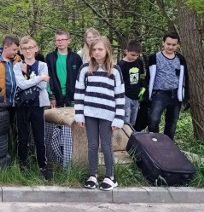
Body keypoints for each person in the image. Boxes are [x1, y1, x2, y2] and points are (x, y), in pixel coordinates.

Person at [74, 36, 125, 191]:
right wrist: (79, 114)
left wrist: (119, 117)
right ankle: (93, 175)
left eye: (100, 49)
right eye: (94, 49)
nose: (97, 52)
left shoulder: (115, 70)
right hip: (90, 113)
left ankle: (110, 177)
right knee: (92, 145)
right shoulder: (85, 69)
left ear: (107, 50)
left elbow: (120, 95)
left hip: (108, 114)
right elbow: (79, 92)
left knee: (106, 145)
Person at [13, 36, 53, 180]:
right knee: (22, 137)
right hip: (22, 106)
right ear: (20, 51)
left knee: (39, 137)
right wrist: (36, 77)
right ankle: (22, 164)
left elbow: (43, 86)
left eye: (30, 48)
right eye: (24, 49)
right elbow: (21, 85)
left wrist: (29, 77)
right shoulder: (17, 66)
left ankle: (43, 166)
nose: (28, 51)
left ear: (36, 49)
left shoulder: (42, 65)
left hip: (38, 105)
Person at [45, 29, 82, 168]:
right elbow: (48, 78)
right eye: (57, 40)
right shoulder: (50, 57)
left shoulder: (75, 58)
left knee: (70, 130)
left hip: (72, 99)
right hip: (56, 98)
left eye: (63, 39)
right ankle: (56, 161)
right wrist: (51, 96)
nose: (60, 42)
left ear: (68, 40)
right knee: (56, 130)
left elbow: (80, 79)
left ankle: (71, 162)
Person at [146, 31, 189, 140]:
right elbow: (148, 77)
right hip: (159, 94)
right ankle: (154, 143)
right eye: (168, 44)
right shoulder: (154, 57)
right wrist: (146, 95)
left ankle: (167, 146)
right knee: (153, 119)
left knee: (171, 124)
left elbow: (185, 78)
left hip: (175, 95)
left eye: (173, 45)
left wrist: (186, 97)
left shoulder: (181, 59)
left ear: (178, 45)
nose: (170, 47)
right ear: (163, 43)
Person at [117, 40, 145, 125]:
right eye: (132, 55)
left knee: (134, 118)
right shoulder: (121, 65)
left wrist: (143, 88)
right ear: (126, 51)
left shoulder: (139, 61)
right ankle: (125, 136)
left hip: (136, 95)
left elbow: (141, 76)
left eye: (137, 55)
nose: (134, 58)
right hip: (125, 95)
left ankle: (131, 135)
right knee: (126, 117)